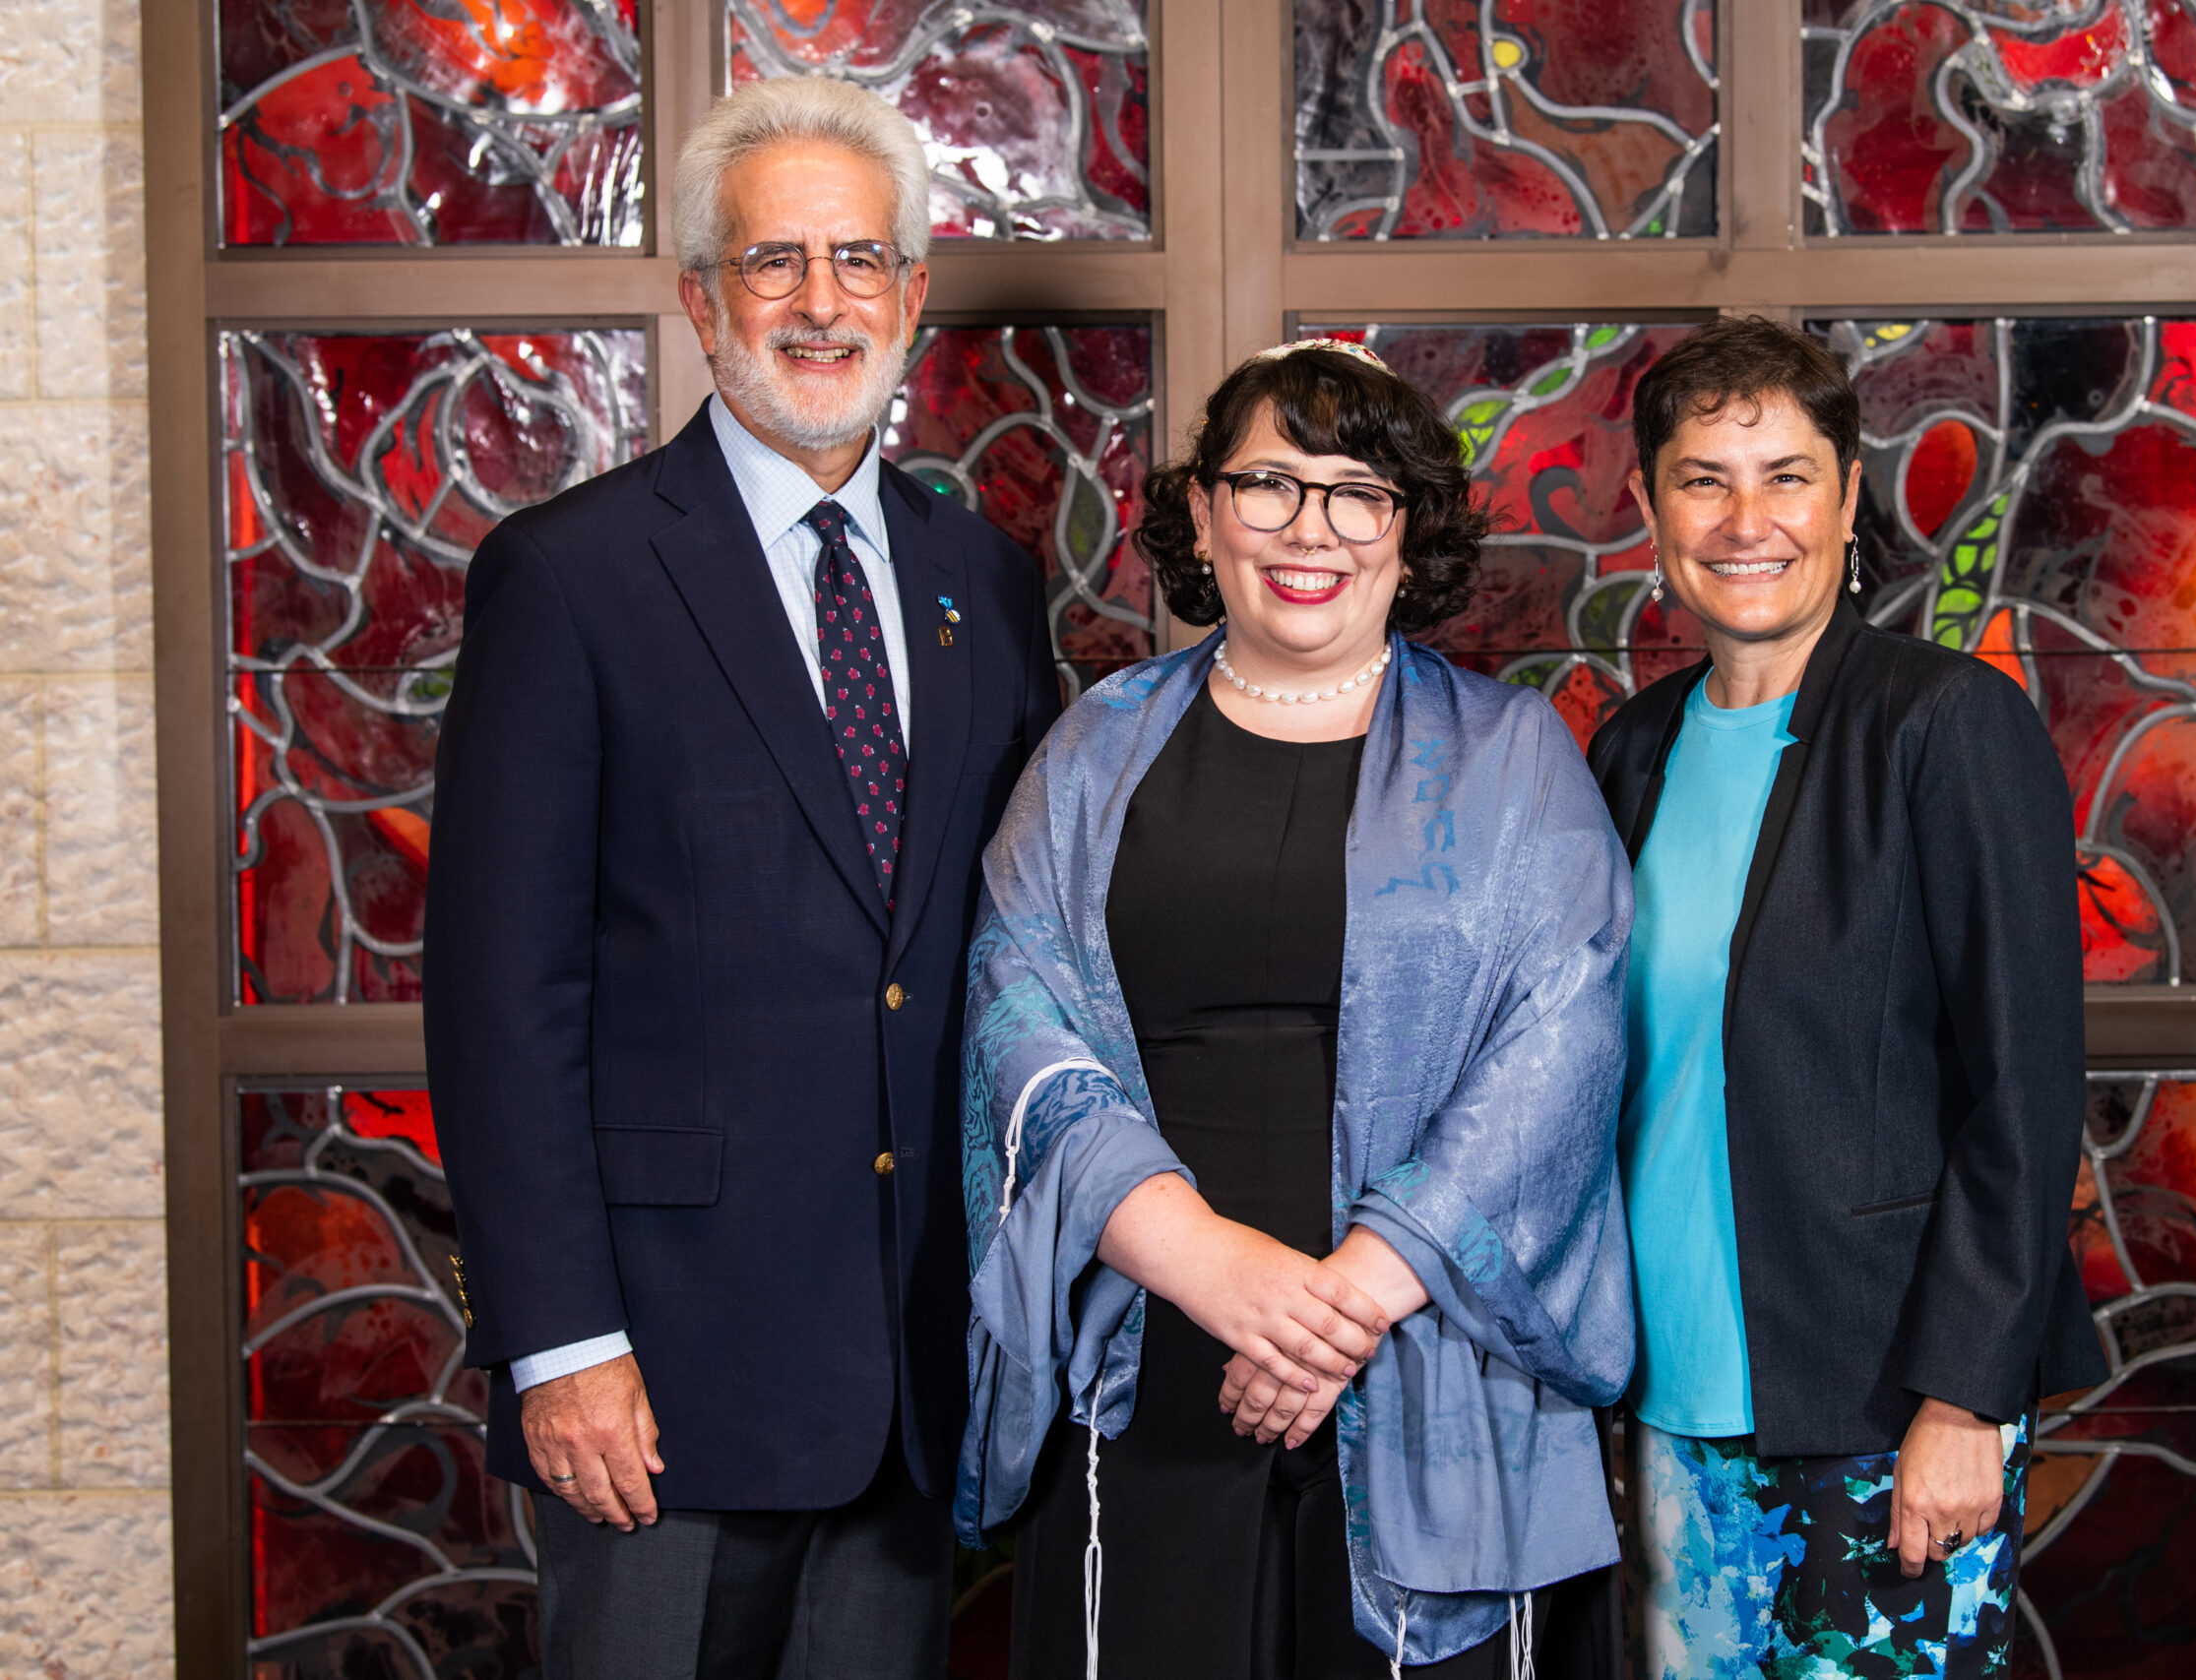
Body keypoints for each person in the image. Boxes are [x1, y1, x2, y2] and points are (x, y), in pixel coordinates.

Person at [424, 79, 1060, 1679]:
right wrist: (562, 1345)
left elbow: (995, 954)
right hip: (661, 1382)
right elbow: (502, 1001)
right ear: (702, 301)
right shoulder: (568, 577)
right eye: (773, 262)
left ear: (915, 297)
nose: (821, 302)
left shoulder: (978, 576)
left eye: (859, 261)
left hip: (912, 1372)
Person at [954, 340, 1634, 1679]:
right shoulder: (1096, 747)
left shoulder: (1514, 757)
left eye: (1355, 491)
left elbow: (1563, 1045)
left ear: (1408, 528)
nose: (1308, 528)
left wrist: (1342, 1304)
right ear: (1204, 511)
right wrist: (1211, 1264)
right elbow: (1012, 1010)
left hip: (1424, 1348)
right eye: (1268, 482)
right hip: (1151, 1354)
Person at [1585, 316, 2106, 1677]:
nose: (1746, 519)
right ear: (1649, 507)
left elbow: (2025, 1086)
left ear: (1849, 495)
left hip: (1885, 1401)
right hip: (1673, 1399)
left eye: (1787, 475)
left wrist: (1966, 1397)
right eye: (1703, 478)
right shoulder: (1631, 750)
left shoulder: (1944, 725)